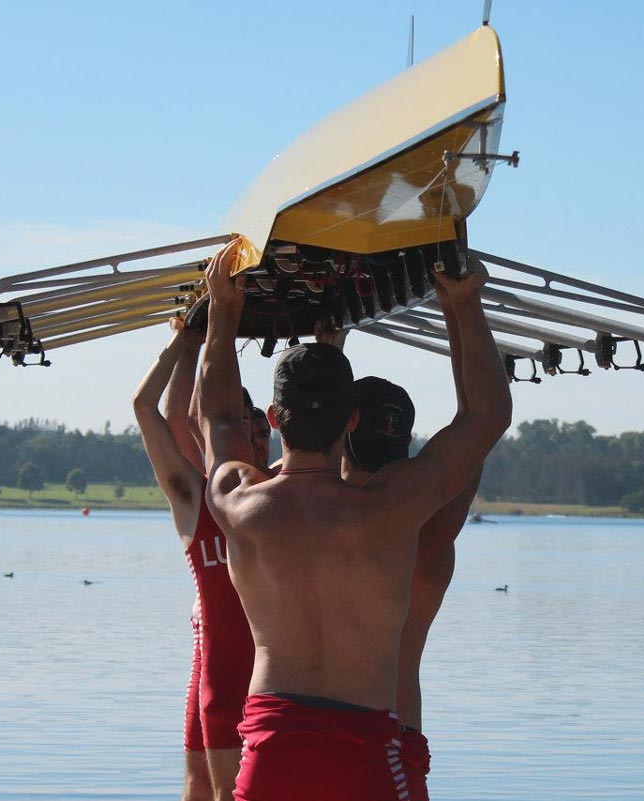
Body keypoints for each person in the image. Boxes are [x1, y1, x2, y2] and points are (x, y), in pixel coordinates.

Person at [195, 243, 510, 801]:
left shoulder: (241, 503)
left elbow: (216, 417)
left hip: (270, 748)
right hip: (365, 749)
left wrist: (223, 310)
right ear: (353, 417)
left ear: (272, 418)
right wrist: (465, 304)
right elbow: (485, 418)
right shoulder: (389, 509)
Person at [327, 337, 481, 801]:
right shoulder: (435, 530)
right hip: (398, 732)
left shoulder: (303, 517)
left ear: (343, 428)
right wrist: (462, 315)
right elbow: (475, 424)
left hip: (310, 737)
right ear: (408, 444)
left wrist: (328, 350)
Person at [132, 319, 268, 801]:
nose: (253, 444)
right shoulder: (197, 498)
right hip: (218, 670)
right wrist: (185, 343)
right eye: (241, 431)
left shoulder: (288, 493)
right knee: (200, 785)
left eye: (261, 432)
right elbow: (156, 412)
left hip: (277, 676)